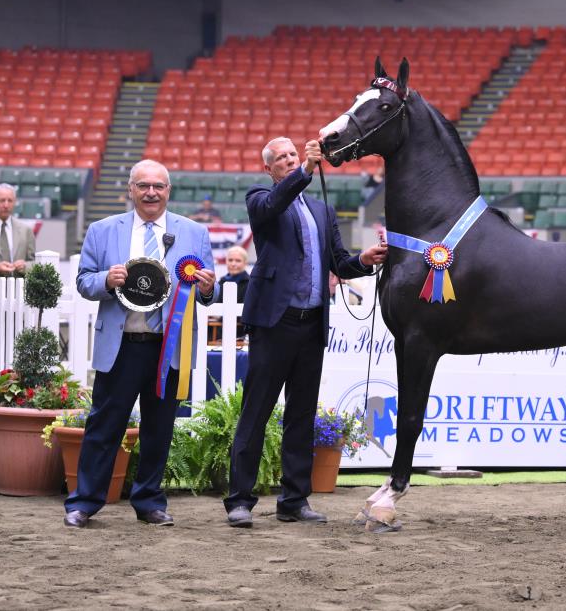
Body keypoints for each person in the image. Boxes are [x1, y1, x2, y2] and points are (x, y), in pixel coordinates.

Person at [223, 137, 387, 528]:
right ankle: (240, 500)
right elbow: (274, 203)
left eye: (292, 155)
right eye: (281, 158)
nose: (289, 160)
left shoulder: (322, 209)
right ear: (269, 169)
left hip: (311, 324)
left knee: (300, 415)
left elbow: (339, 263)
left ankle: (294, 500)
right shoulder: (260, 198)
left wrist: (362, 261)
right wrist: (305, 172)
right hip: (273, 322)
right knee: (256, 412)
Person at [64, 160, 218, 529]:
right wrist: (107, 278)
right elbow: (84, 281)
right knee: (104, 426)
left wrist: (209, 288)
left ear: (169, 190)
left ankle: (149, 502)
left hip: (169, 347)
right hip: (121, 345)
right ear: (130, 190)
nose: (151, 192)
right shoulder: (102, 230)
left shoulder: (194, 232)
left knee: (160, 428)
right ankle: (84, 502)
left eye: (159, 186)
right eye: (144, 186)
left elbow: (206, 289)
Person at [0, 183, 36, 278]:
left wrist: (25, 266)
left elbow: (35, 262)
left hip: (17, 289)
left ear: (14, 202)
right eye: (2, 200)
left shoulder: (26, 230)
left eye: (10, 200)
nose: (6, 205)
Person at [215, 245, 250, 338]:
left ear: (245, 263)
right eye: (230, 260)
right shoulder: (221, 282)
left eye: (238, 260)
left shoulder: (250, 284)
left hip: (242, 333)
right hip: (219, 332)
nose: (233, 264)